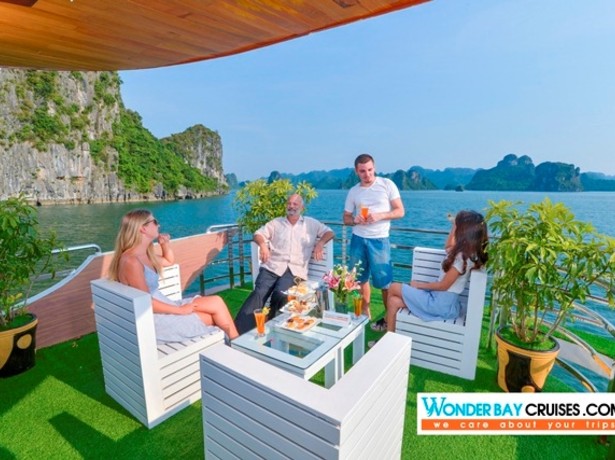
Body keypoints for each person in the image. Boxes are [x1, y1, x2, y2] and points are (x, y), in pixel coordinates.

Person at [107, 209, 239, 342]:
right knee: (212, 317)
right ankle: (237, 345)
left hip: (164, 305)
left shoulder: (144, 254)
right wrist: (180, 310)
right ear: (143, 228)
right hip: (154, 318)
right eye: (154, 222)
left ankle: (237, 344)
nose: (158, 225)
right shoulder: (131, 261)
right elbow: (146, 303)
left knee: (216, 302)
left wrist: (164, 245)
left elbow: (168, 261)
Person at [235, 194, 334, 334]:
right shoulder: (276, 223)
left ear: (302, 207)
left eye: (295, 204)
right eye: (289, 203)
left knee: (281, 294)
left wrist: (321, 243)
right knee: (259, 293)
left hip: (295, 271)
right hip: (272, 267)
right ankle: (238, 332)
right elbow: (258, 234)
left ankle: (271, 326)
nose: (291, 206)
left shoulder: (311, 224)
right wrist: (262, 245)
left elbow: (329, 232)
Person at [378, 210, 489, 334]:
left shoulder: (462, 258)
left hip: (439, 304)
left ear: (464, 232)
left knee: (393, 287)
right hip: (442, 302)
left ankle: (384, 322)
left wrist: (418, 285)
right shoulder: (467, 254)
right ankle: (389, 338)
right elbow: (448, 247)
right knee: (393, 301)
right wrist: (454, 226)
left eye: (457, 226)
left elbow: (443, 286)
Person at [343, 153, 404, 320]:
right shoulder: (354, 191)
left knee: (385, 283)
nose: (367, 174)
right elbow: (346, 218)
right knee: (359, 279)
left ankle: (388, 318)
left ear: (374, 167)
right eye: (363, 171)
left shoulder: (387, 184)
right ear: (356, 171)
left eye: (370, 170)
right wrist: (354, 220)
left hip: (380, 240)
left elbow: (400, 211)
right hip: (358, 239)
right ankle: (365, 313)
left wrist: (380, 216)